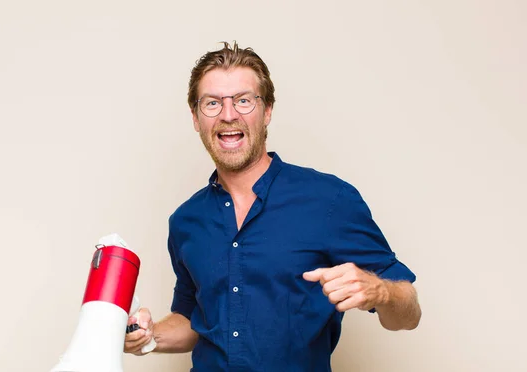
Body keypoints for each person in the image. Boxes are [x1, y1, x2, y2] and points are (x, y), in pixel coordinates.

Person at [124, 42, 421, 371]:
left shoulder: (329, 200)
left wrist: (381, 291)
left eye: (243, 100)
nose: (228, 114)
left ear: (267, 111)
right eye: (212, 103)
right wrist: (149, 335)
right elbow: (193, 320)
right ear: (196, 118)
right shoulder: (185, 221)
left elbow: (408, 315)